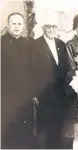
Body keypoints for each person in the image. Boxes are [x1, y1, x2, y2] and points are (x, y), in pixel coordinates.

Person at [30, 17, 68, 148]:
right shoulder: (35, 45)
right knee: (45, 126)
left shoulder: (61, 44)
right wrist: (34, 93)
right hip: (44, 93)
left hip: (60, 93)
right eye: (48, 26)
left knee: (59, 125)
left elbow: (65, 68)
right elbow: (31, 70)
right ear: (43, 28)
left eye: (54, 26)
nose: (51, 29)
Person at [1, 12, 36, 149]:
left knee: (25, 127)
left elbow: (32, 70)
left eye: (19, 24)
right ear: (8, 25)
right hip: (6, 94)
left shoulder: (28, 43)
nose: (16, 27)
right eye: (13, 23)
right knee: (8, 127)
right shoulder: (1, 42)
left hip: (25, 95)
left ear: (23, 26)